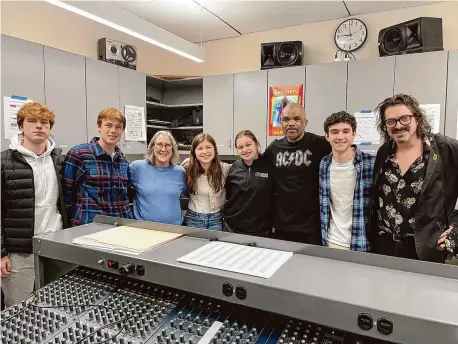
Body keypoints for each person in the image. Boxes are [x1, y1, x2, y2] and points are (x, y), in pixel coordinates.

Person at [370, 94, 458, 262]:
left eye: (404, 118)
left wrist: (456, 229)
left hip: (424, 249)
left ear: (417, 118)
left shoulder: (444, 148)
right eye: (391, 121)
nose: (398, 126)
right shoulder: (384, 152)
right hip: (383, 246)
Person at [1, 102, 68, 307]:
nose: (39, 126)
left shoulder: (60, 160)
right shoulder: (4, 162)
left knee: (55, 307)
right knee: (18, 309)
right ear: (21, 126)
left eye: (44, 122)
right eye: (32, 121)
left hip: (55, 246)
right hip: (19, 252)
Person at [264, 103, 331, 244]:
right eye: (286, 119)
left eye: (297, 119)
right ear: (281, 123)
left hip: (311, 226)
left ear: (305, 123)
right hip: (282, 225)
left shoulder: (321, 144)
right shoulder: (273, 149)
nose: (291, 123)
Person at [63, 108, 132, 226]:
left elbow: (124, 195)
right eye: (108, 125)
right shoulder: (79, 153)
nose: (113, 131)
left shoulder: (123, 160)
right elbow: (66, 194)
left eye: (118, 127)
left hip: (120, 226)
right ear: (99, 127)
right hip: (90, 226)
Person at [319, 112, 375, 251]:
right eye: (334, 132)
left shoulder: (371, 163)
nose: (340, 137)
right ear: (327, 136)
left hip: (361, 244)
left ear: (354, 134)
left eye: (346, 131)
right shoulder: (324, 164)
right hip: (330, 241)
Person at [223, 130, 274, 237]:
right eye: (240, 147)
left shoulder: (269, 166)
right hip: (232, 228)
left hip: (261, 231)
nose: (245, 150)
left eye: (248, 145)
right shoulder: (234, 167)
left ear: (257, 144)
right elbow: (229, 195)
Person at [130, 131, 187, 225]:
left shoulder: (180, 172)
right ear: (152, 147)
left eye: (168, 145)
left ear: (173, 148)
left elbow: (191, 194)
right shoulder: (137, 168)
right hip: (144, 229)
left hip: (175, 229)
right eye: (159, 144)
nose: (163, 149)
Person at [183, 133, 231, 230]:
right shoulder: (187, 167)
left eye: (208, 147)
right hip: (193, 218)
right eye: (200, 148)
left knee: (215, 245)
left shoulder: (225, 169)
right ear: (194, 152)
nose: (204, 152)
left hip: (216, 219)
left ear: (214, 149)